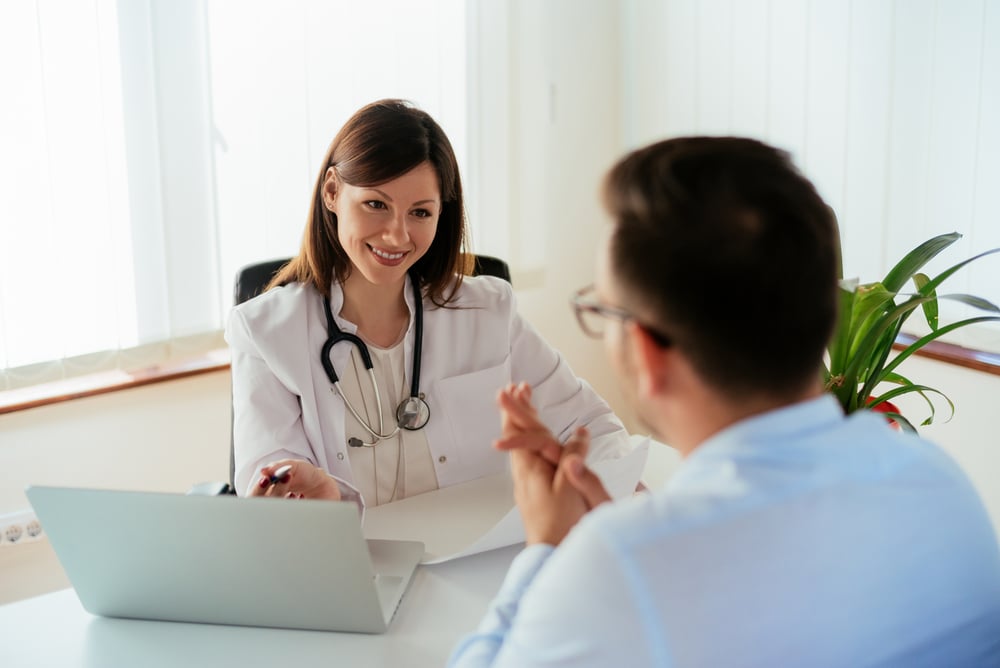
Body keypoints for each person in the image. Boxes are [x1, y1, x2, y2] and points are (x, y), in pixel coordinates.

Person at [449, 137, 1000, 666]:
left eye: (603, 311)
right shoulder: (939, 480)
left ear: (646, 351)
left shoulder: (623, 567)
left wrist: (547, 552)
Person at [225, 99, 632, 507]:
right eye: (376, 204)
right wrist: (310, 494)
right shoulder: (265, 333)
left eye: (420, 212)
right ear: (332, 191)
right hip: (349, 544)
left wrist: (616, 490)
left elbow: (590, 425)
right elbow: (270, 480)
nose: (397, 236)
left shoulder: (487, 311)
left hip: (478, 543)